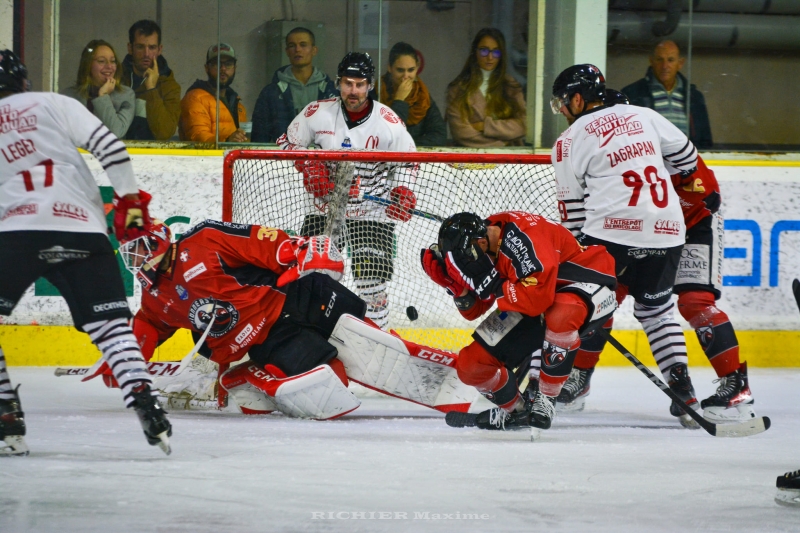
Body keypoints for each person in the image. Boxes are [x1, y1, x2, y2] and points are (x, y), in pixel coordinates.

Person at [0, 50, 171, 456]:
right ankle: (145, 401)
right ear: (24, 83)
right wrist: (128, 199)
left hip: (15, 234)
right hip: (80, 227)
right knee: (111, 327)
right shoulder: (54, 103)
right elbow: (111, 148)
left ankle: (5, 412)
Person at [550, 64, 703, 428]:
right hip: (667, 230)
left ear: (576, 98)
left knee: (584, 303)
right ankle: (684, 392)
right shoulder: (644, 114)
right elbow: (688, 160)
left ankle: (568, 382)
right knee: (658, 309)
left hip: (611, 235)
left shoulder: (568, 141)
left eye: (562, 104)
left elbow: (572, 220)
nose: (563, 113)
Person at [103, 218, 369, 420]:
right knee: (326, 371)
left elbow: (260, 241)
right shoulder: (155, 297)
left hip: (293, 296)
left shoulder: (204, 239)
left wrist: (297, 250)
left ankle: (375, 337)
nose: (134, 259)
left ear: (154, 240)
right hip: (267, 339)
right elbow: (150, 325)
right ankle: (249, 376)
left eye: (136, 249)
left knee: (355, 322)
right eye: (130, 253)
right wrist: (127, 356)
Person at [421, 211, 617, 431]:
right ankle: (518, 412)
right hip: (536, 296)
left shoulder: (524, 240)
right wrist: (456, 288)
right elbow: (476, 310)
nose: (468, 265)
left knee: (562, 312)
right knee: (471, 366)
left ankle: (546, 399)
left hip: (588, 284)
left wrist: (494, 285)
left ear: (481, 242)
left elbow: (536, 302)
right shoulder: (484, 245)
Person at [278, 52, 417, 329]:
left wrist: (403, 190)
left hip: (372, 214)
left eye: (360, 84)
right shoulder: (316, 113)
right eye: (347, 83)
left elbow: (411, 162)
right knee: (314, 278)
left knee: (372, 285)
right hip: (324, 211)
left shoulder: (389, 122)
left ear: (371, 85)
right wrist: (309, 166)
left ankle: (379, 343)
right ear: (337, 82)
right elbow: (285, 143)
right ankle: (312, 338)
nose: (353, 91)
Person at [251, 27, 337, 144]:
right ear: (287, 51)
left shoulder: (331, 91)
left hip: (322, 160)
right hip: (282, 159)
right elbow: (259, 138)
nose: (297, 49)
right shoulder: (271, 93)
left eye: (303, 45)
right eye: (292, 45)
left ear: (314, 50)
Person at [621, 40, 712, 149]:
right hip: (649, 163)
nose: (665, 66)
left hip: (687, 164)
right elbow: (624, 140)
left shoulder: (695, 97)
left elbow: (705, 141)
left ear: (680, 64)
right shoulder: (632, 94)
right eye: (660, 60)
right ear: (651, 61)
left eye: (670, 60)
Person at [445, 28, 526, 148]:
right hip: (472, 160)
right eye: (484, 51)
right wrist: (502, 144)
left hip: (509, 162)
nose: (490, 57)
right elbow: (461, 133)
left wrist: (485, 126)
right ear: (475, 52)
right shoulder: (458, 89)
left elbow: (523, 126)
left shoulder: (510, 86)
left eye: (496, 52)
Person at [61, 39, 135, 139]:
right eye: (101, 61)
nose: (109, 66)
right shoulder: (68, 96)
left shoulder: (126, 95)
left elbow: (116, 133)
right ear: (88, 65)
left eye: (113, 61)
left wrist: (103, 96)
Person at [121, 19, 181, 140]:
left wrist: (151, 90)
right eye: (140, 47)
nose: (146, 54)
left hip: (152, 157)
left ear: (159, 49)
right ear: (130, 48)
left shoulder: (170, 86)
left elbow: (164, 133)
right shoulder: (115, 78)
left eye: (152, 47)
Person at [379, 42, 446, 147]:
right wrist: (399, 100)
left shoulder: (422, 94)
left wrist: (408, 145)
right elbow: (390, 136)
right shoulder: (377, 92)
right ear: (389, 68)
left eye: (411, 70)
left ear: (417, 68)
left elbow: (439, 135)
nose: (406, 76)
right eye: (400, 70)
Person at [179, 43, 247, 143]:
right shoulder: (195, 98)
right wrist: (227, 142)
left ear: (235, 68)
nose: (223, 69)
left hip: (231, 158)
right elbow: (198, 137)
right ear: (207, 68)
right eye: (217, 64)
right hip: (206, 158)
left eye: (228, 64)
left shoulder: (238, 105)